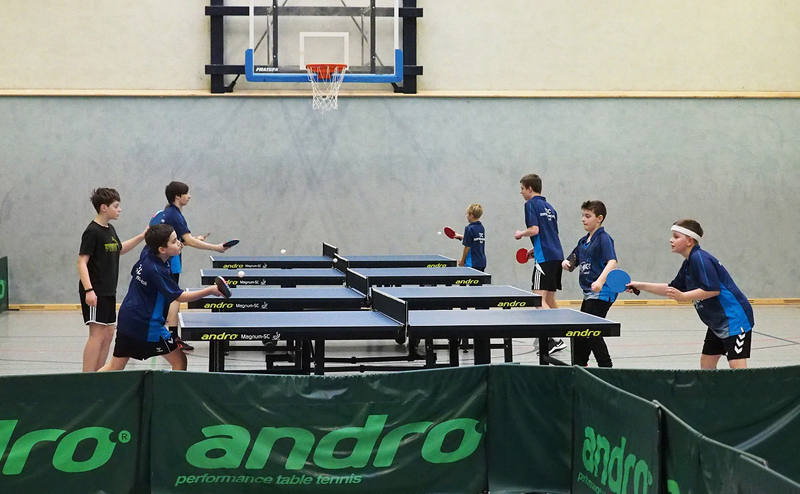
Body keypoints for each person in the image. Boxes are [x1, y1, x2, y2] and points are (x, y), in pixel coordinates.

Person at [627, 219, 754, 369]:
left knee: (736, 366)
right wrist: (639, 285)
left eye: (676, 236)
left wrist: (683, 297)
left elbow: (712, 289)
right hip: (717, 322)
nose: (671, 240)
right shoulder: (689, 263)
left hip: (734, 319)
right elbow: (671, 289)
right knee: (707, 364)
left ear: (689, 241)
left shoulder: (700, 259)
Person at [99, 224, 224, 371]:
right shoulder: (156, 270)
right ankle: (172, 388)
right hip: (147, 324)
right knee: (179, 361)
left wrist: (184, 243)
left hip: (127, 319)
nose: (179, 242)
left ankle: (88, 385)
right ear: (162, 249)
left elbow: (166, 246)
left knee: (114, 366)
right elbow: (180, 297)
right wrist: (210, 290)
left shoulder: (148, 252)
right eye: (174, 241)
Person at [150, 181, 229, 350]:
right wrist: (216, 247)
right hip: (170, 262)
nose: (189, 196)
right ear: (177, 196)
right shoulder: (175, 215)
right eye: (186, 193)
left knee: (168, 297)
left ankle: (168, 336)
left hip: (163, 261)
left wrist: (189, 241)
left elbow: (180, 241)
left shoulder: (167, 213)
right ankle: (171, 337)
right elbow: (188, 240)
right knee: (174, 297)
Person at [78, 188, 147, 372]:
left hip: (109, 290)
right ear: (104, 207)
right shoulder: (92, 231)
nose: (119, 209)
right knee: (97, 334)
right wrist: (89, 290)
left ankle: (99, 374)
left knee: (108, 333)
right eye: (116, 206)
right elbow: (82, 262)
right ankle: (86, 377)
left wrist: (142, 237)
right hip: (96, 291)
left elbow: (119, 249)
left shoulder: (110, 229)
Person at [514, 174, 566, 355]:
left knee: (538, 300)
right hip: (557, 256)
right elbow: (552, 235)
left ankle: (555, 339)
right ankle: (561, 333)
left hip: (544, 258)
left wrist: (521, 233)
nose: (521, 192)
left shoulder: (530, 204)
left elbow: (534, 230)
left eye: (522, 189)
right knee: (549, 300)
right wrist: (534, 249)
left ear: (530, 188)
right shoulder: (550, 208)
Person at [562, 201, 617, 367]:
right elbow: (572, 261)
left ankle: (607, 368)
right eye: (582, 215)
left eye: (587, 216)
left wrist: (600, 281)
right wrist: (565, 263)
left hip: (603, 292)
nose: (583, 219)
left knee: (591, 331)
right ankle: (580, 366)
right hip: (589, 293)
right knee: (579, 332)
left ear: (599, 218)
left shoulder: (604, 239)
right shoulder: (583, 242)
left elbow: (612, 262)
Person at [448, 203, 487, 271]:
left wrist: (463, 260)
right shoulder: (481, 228)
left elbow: (467, 247)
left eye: (467, 214)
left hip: (472, 263)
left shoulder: (469, 228)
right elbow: (474, 240)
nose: (467, 216)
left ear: (471, 215)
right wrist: (461, 236)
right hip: (481, 262)